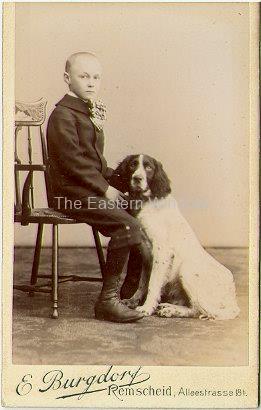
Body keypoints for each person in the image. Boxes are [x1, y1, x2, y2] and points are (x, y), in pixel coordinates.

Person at [46, 52, 151, 323]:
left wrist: (122, 179)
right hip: (70, 195)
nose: (91, 82)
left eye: (96, 77)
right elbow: (73, 164)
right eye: (84, 76)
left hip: (87, 189)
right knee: (127, 225)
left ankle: (128, 292)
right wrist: (105, 189)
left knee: (139, 210)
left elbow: (95, 164)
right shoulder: (63, 115)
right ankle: (107, 302)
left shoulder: (85, 111)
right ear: (68, 79)